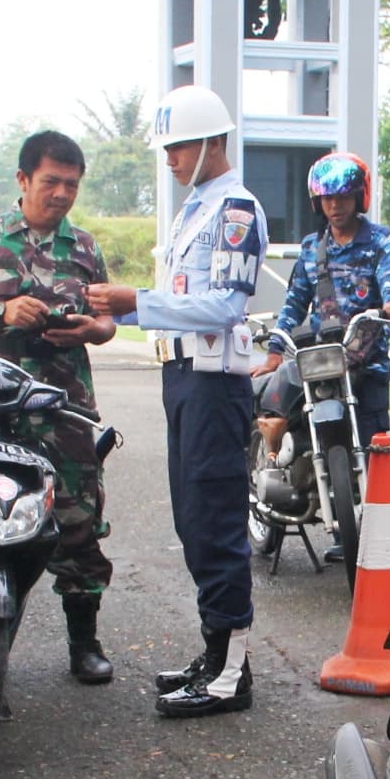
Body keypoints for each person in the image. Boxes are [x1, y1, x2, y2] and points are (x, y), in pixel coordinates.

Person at [84, 86, 267, 719]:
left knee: (215, 522)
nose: (168, 158)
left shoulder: (235, 210)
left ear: (212, 142)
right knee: (193, 520)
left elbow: (224, 307)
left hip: (214, 383)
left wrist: (136, 304)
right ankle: (215, 652)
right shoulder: (194, 210)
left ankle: (230, 671)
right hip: (184, 379)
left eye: (178, 145)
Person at [0, 131, 118, 685]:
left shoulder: (84, 247)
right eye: (50, 182)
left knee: (77, 523)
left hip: (65, 409)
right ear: (22, 180)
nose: (61, 193)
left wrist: (93, 329)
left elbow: (108, 320)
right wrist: (2, 312)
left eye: (71, 185)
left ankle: (83, 642)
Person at [253, 152, 390, 561]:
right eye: (327, 199)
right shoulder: (310, 250)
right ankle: (324, 510)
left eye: (343, 197)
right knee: (315, 431)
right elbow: (293, 304)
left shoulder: (381, 241)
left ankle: (377, 534)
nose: (335, 206)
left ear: (360, 198)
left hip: (367, 363)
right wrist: (272, 351)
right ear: (316, 203)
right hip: (324, 363)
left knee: (375, 447)